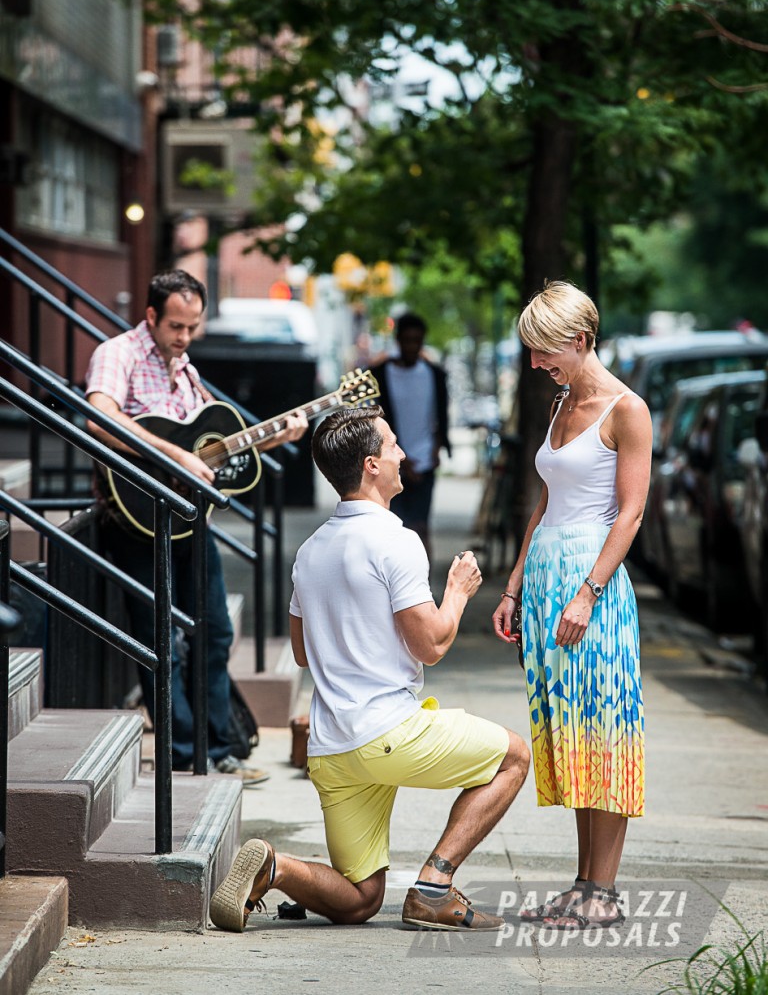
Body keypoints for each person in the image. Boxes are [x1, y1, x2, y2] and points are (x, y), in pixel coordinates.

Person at [210, 404, 529, 933]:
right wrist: (457, 594)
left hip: (332, 749)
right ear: (370, 466)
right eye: (393, 445)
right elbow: (430, 646)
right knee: (515, 757)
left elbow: (303, 652)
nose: (403, 453)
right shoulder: (396, 541)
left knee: (360, 901)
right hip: (387, 732)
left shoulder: (311, 551)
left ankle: (275, 866)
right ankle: (433, 887)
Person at [85, 270, 308, 782]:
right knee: (158, 634)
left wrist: (274, 437)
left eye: (192, 327)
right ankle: (185, 749)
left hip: (188, 517)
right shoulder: (118, 353)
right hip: (137, 514)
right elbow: (98, 417)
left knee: (215, 630)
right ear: (151, 317)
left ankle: (218, 746)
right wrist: (172, 455)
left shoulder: (183, 367)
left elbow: (210, 447)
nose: (184, 337)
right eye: (175, 326)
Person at [492, 280, 652, 930]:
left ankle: (604, 896)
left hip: (594, 587)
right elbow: (545, 503)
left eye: (543, 351)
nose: (535, 364)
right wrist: (513, 585)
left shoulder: (627, 409)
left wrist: (588, 592)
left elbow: (632, 512)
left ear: (581, 341)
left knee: (605, 733)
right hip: (547, 578)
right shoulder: (560, 405)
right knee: (574, 737)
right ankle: (584, 885)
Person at [372, 312, 450, 561]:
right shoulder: (381, 374)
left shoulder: (434, 374)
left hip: (425, 461)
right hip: (390, 461)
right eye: (407, 340)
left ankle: (421, 590)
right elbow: (378, 419)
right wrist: (402, 461)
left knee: (420, 528)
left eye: (417, 340)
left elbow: (441, 415)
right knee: (391, 527)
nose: (411, 346)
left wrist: (437, 449)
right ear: (398, 340)